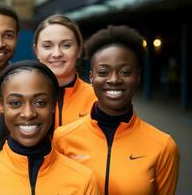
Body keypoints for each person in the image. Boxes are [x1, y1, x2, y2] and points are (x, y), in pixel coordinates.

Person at [53, 25, 179, 195]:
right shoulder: (62, 138)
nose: (114, 80)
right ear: (91, 77)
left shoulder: (163, 146)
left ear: (138, 77)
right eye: (103, 72)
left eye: (125, 72)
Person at [0, 60, 99, 195]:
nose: (28, 113)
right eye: (15, 103)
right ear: (2, 105)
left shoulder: (83, 180)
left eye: (40, 102)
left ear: (53, 105)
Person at [34, 14, 97, 127]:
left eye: (66, 45)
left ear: (79, 50)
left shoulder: (97, 99)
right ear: (37, 51)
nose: (57, 54)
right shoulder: (23, 96)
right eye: (47, 46)